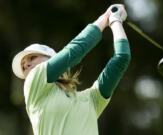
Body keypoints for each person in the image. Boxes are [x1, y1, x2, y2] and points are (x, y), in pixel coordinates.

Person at [12, 4, 131, 135]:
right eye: (23, 66)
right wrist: (106, 16)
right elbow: (76, 50)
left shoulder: (92, 100)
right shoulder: (33, 83)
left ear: (52, 59)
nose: (26, 65)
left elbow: (122, 58)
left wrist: (115, 20)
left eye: (32, 58)